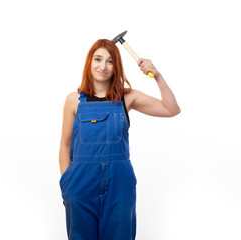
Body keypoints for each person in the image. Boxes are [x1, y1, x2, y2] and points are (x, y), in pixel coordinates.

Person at [59, 39, 181, 240]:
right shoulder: (74, 100)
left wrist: (157, 76)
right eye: (98, 59)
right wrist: (67, 183)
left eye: (110, 61)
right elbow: (65, 144)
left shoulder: (127, 97)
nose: (103, 66)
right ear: (89, 62)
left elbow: (172, 109)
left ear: (116, 66)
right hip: (80, 184)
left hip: (119, 185)